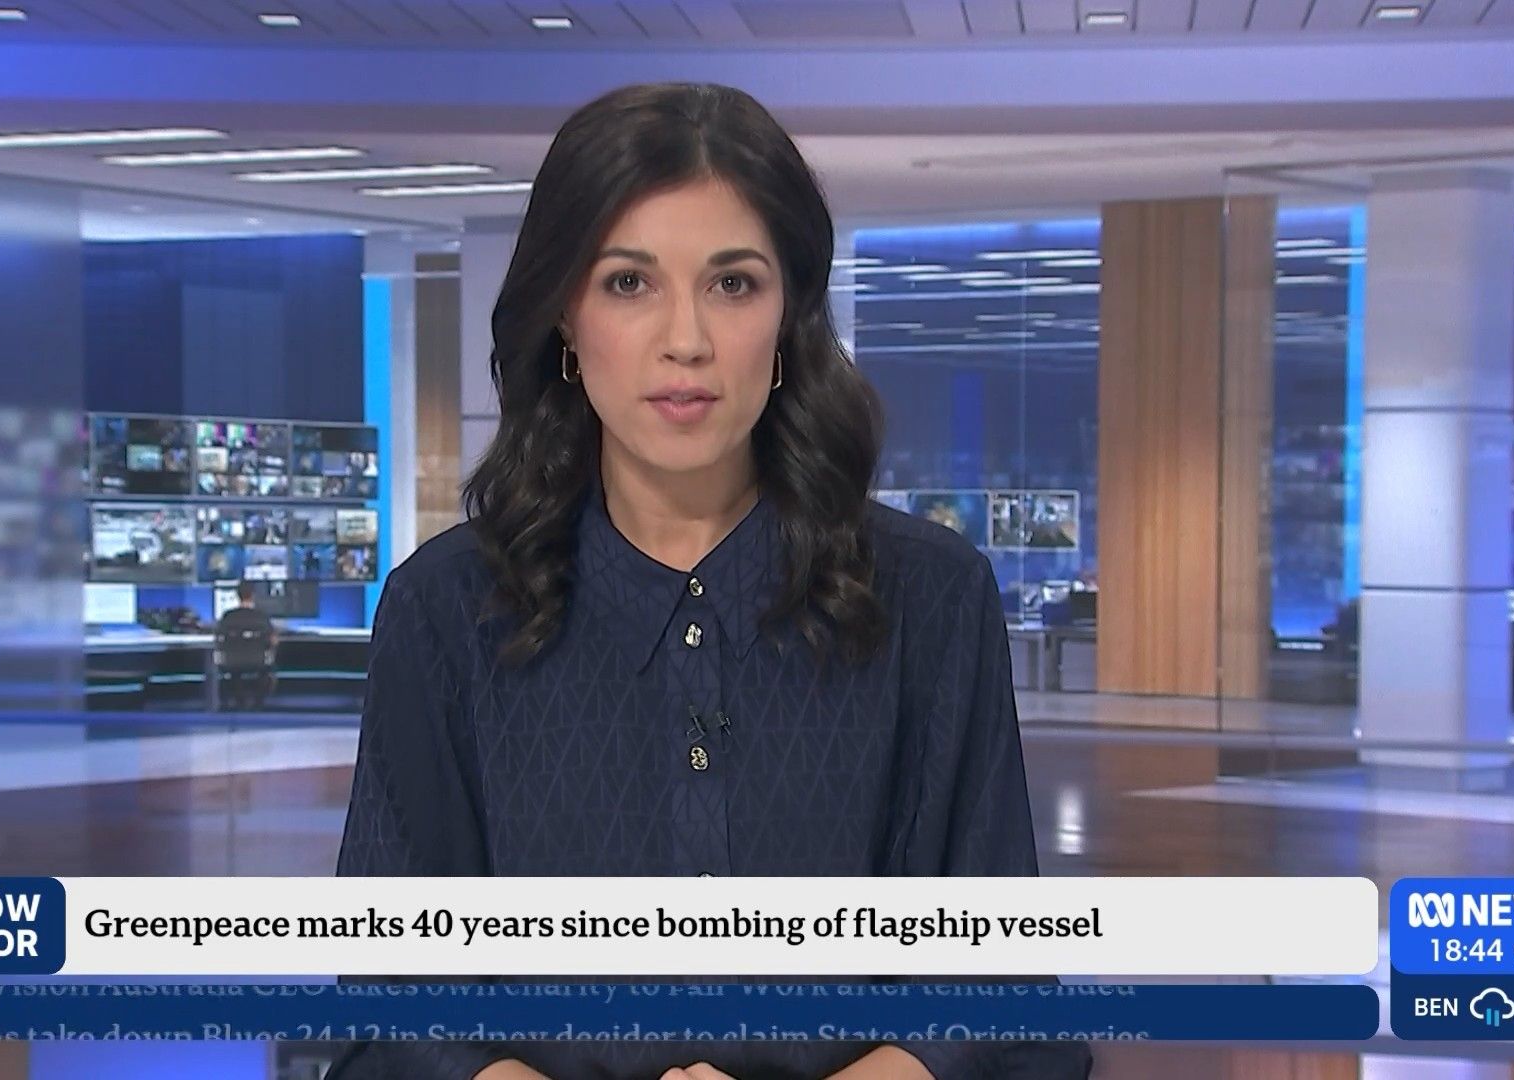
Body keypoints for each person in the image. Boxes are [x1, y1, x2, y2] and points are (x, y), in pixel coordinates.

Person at [333, 82, 1092, 1080]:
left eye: (733, 283)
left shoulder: (932, 596)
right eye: (628, 283)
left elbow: (998, 996)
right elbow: (387, 1008)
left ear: (789, 316)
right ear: (565, 317)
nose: (685, 339)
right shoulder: (444, 611)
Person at [214, 581, 277, 708]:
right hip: (257, 661)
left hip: (231, 662)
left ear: (237, 595)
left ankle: (238, 700)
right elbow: (273, 641)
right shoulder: (262, 616)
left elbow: (218, 640)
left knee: (233, 670)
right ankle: (258, 703)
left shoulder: (228, 617)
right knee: (269, 670)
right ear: (253, 595)